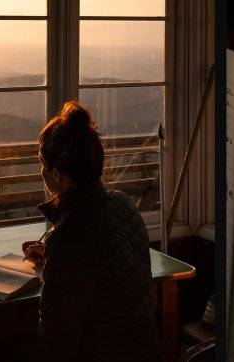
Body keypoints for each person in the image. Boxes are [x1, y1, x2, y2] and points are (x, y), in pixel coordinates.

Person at [22, 101, 160, 361]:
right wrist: (52, 256)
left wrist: (57, 254)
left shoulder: (70, 235)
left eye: (42, 162)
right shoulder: (123, 205)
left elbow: (55, 335)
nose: (40, 170)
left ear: (58, 176)